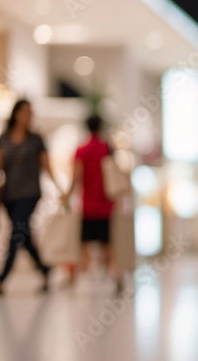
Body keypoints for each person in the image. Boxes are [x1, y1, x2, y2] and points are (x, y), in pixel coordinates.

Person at [0, 99, 55, 295]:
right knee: (23, 234)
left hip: (30, 194)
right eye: (25, 112)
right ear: (16, 114)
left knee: (15, 234)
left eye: (31, 112)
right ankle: (45, 269)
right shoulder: (4, 138)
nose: (29, 116)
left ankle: (1, 280)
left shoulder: (36, 139)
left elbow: (47, 165)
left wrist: (60, 188)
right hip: (9, 196)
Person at [61, 115, 124, 294]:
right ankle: (115, 274)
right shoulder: (107, 148)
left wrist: (66, 196)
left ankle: (76, 279)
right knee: (108, 244)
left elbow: (76, 177)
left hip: (88, 206)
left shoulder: (81, 150)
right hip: (106, 205)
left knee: (84, 245)